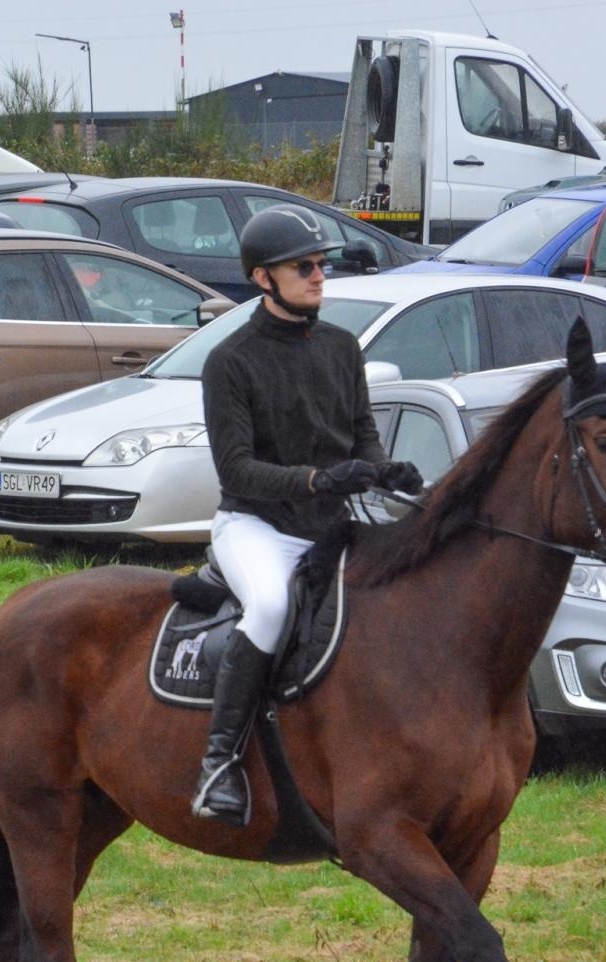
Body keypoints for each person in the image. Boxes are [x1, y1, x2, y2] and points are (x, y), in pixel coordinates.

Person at [191, 207, 423, 825]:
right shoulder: (229, 362)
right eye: (305, 267)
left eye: (322, 265)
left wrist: (383, 468)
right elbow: (236, 470)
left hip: (330, 527)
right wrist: (320, 479)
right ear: (263, 279)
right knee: (268, 607)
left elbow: (362, 436)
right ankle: (219, 762)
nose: (320, 276)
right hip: (256, 527)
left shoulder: (343, 348)